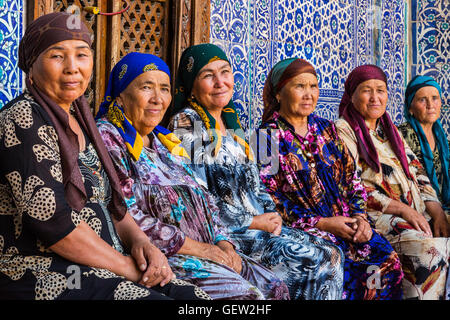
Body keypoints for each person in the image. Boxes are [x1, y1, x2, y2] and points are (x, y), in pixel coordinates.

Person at [0, 12, 209, 300]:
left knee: (194, 299)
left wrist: (142, 244)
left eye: (82, 55)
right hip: (44, 268)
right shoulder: (23, 117)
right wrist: (125, 266)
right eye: (57, 56)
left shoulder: (81, 119)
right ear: (31, 66)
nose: (73, 68)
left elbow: (112, 202)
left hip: (103, 261)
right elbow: (54, 223)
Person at [96, 51, 290, 300]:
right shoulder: (111, 136)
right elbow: (124, 212)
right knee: (247, 297)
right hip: (165, 255)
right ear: (121, 95)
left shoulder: (164, 141)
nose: (157, 99)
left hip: (211, 247)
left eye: (164, 89)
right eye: (147, 87)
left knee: (276, 288)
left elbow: (207, 198)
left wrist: (224, 245)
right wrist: (204, 250)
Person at [168, 43, 345, 300]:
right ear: (191, 85)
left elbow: (258, 185)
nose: (220, 82)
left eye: (225, 72)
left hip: (260, 226)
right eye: (208, 75)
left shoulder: (232, 122)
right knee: (314, 259)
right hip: (228, 233)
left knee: (331, 251)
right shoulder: (188, 123)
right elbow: (198, 196)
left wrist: (271, 215)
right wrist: (252, 221)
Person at [257, 58, 403, 300]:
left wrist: (360, 218)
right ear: (279, 94)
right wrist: (322, 223)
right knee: (347, 273)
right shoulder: (266, 137)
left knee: (386, 263)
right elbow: (270, 199)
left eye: (313, 87)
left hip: (350, 226)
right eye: (299, 86)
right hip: (309, 231)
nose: (308, 95)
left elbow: (352, 181)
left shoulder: (327, 129)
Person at [335, 64, 450, 300]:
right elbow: (350, 184)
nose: (375, 97)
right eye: (367, 90)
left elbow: (418, 173)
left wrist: (437, 213)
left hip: (415, 212)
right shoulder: (345, 129)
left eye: (381, 90)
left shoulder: (390, 130)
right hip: (377, 215)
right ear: (352, 94)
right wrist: (405, 211)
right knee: (426, 248)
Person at [397, 75, 450, 213]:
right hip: (416, 208)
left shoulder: (442, 140)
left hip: (442, 205)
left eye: (434, 98)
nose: (430, 105)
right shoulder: (402, 135)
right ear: (410, 108)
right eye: (422, 100)